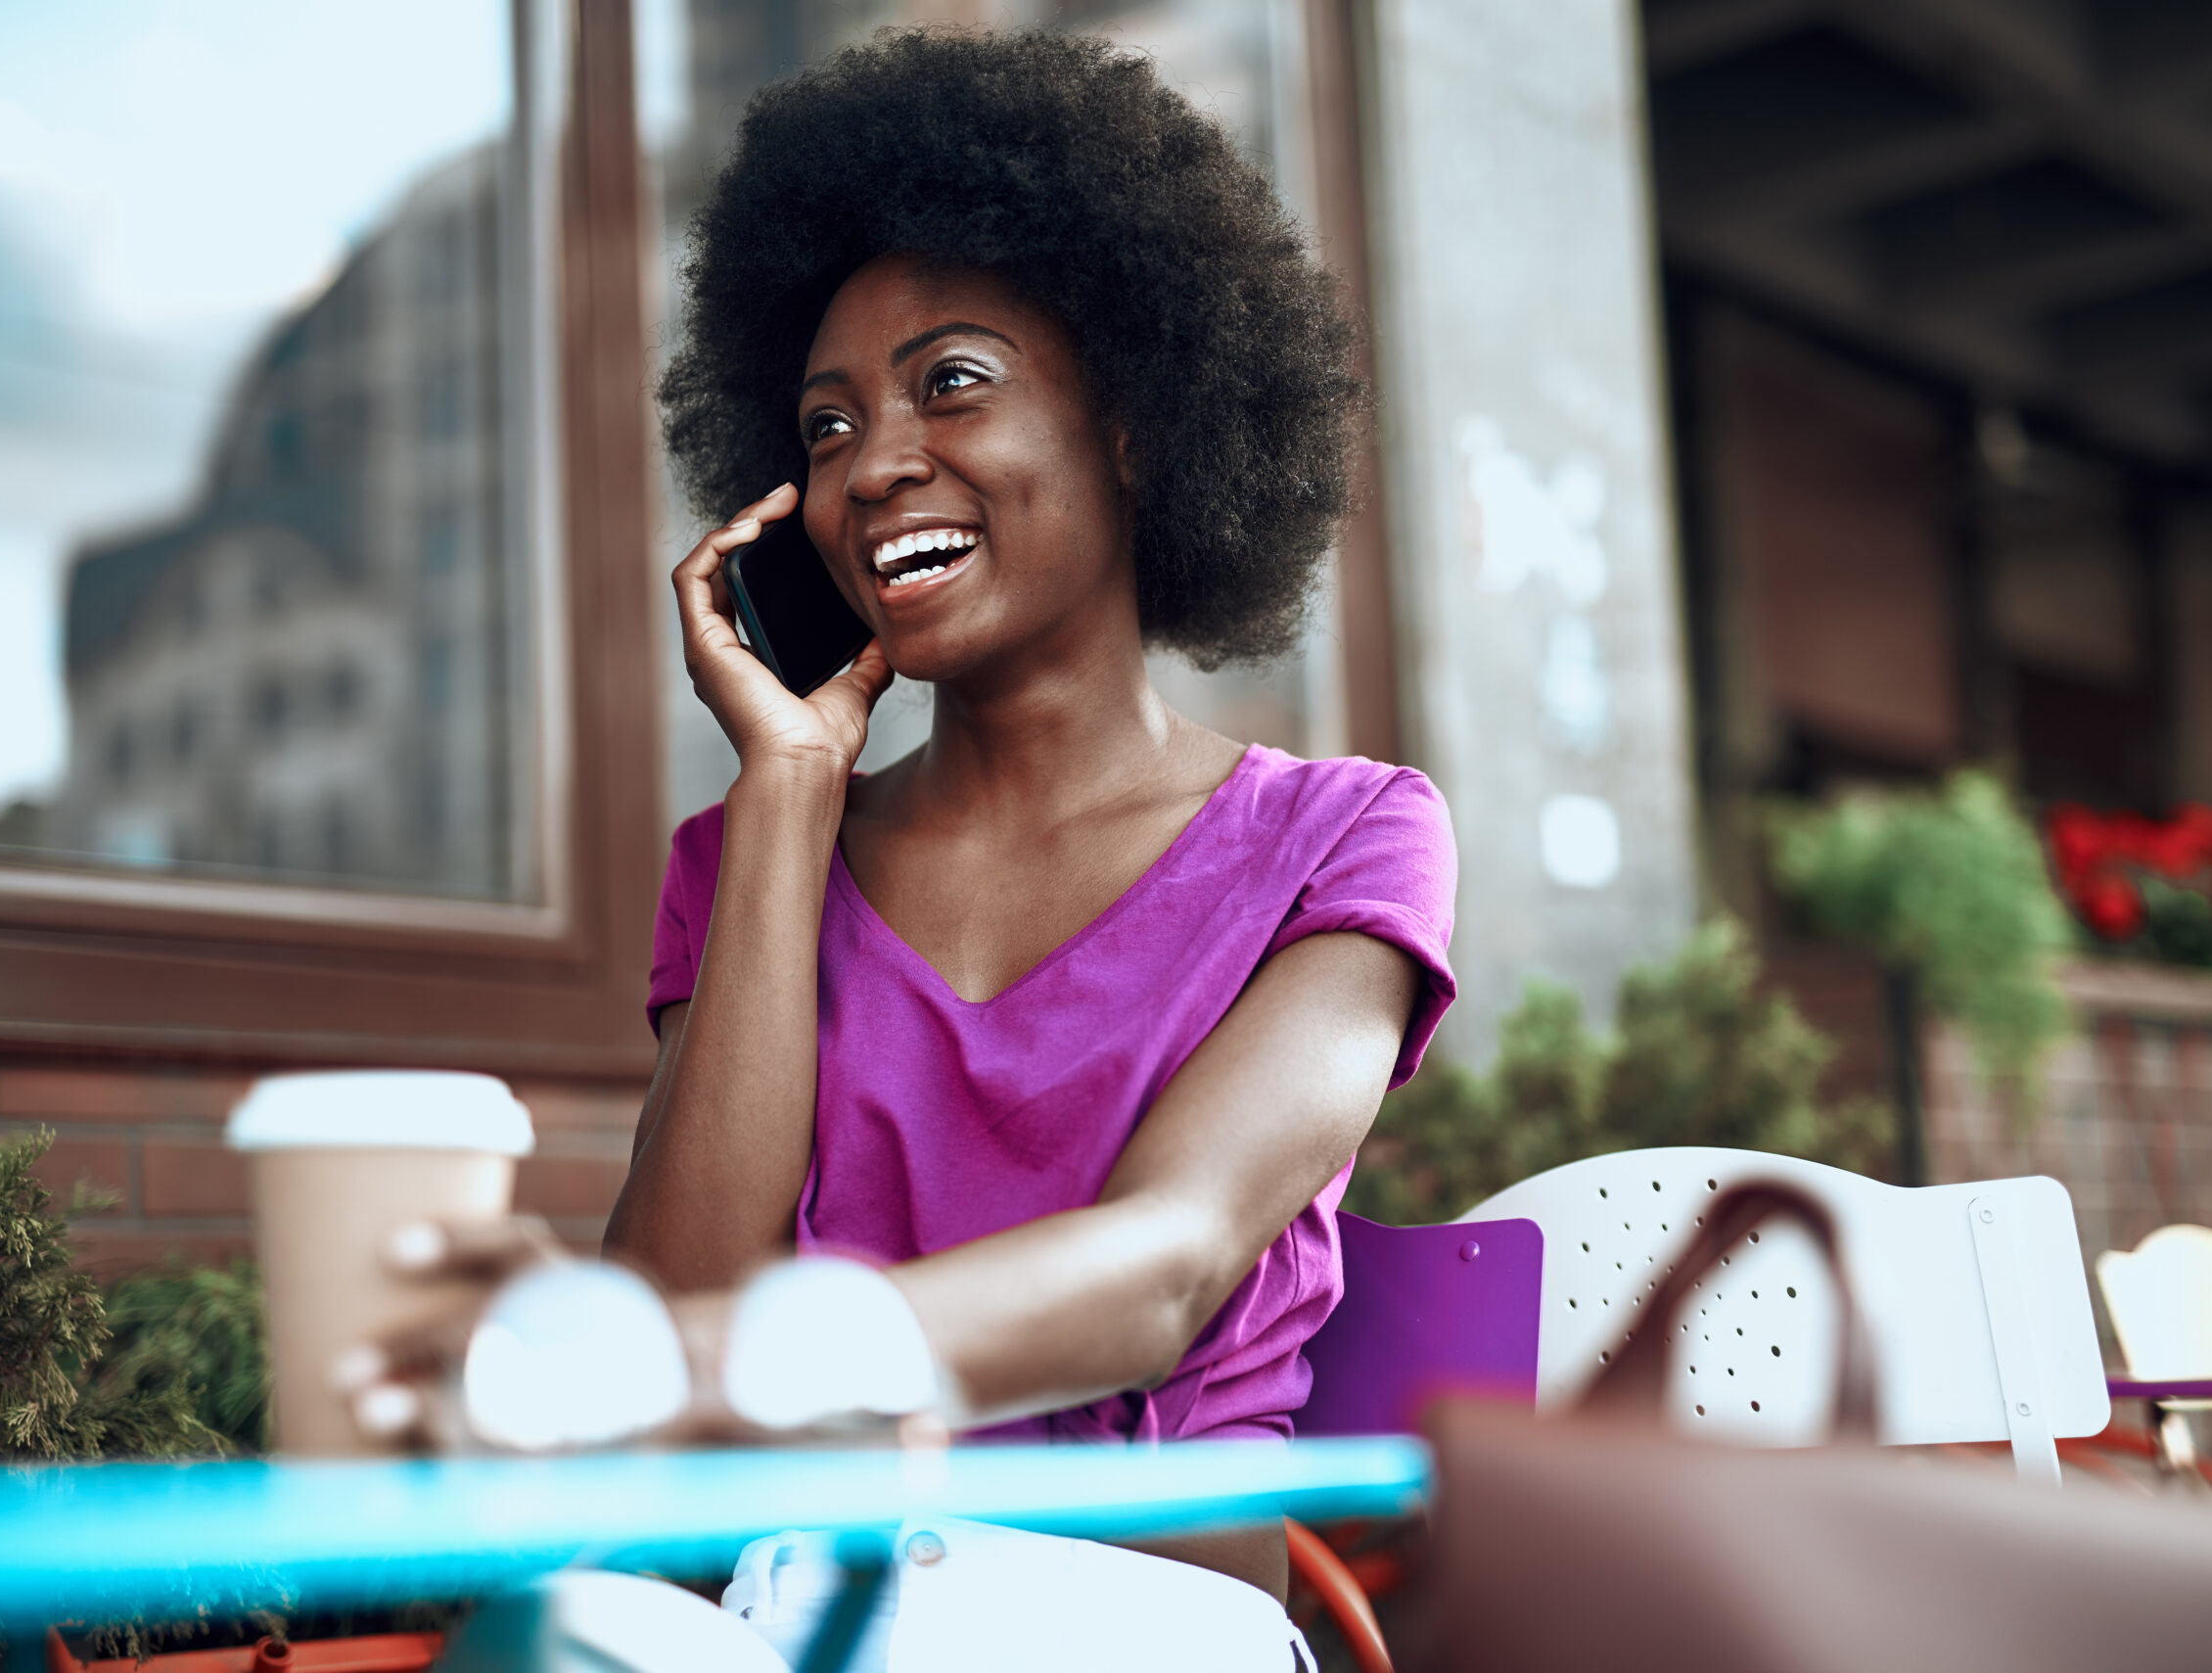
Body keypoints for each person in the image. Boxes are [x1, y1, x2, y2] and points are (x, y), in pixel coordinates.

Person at [358, 27, 1456, 1671]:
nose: (871, 467)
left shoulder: (1343, 839)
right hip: (794, 1608)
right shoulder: (748, 864)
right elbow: (674, 1310)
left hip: (1148, 1624)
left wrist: (698, 1363)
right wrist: (790, 784)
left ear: (1139, 422)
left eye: (951, 382)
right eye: (820, 428)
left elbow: (1164, 1270)